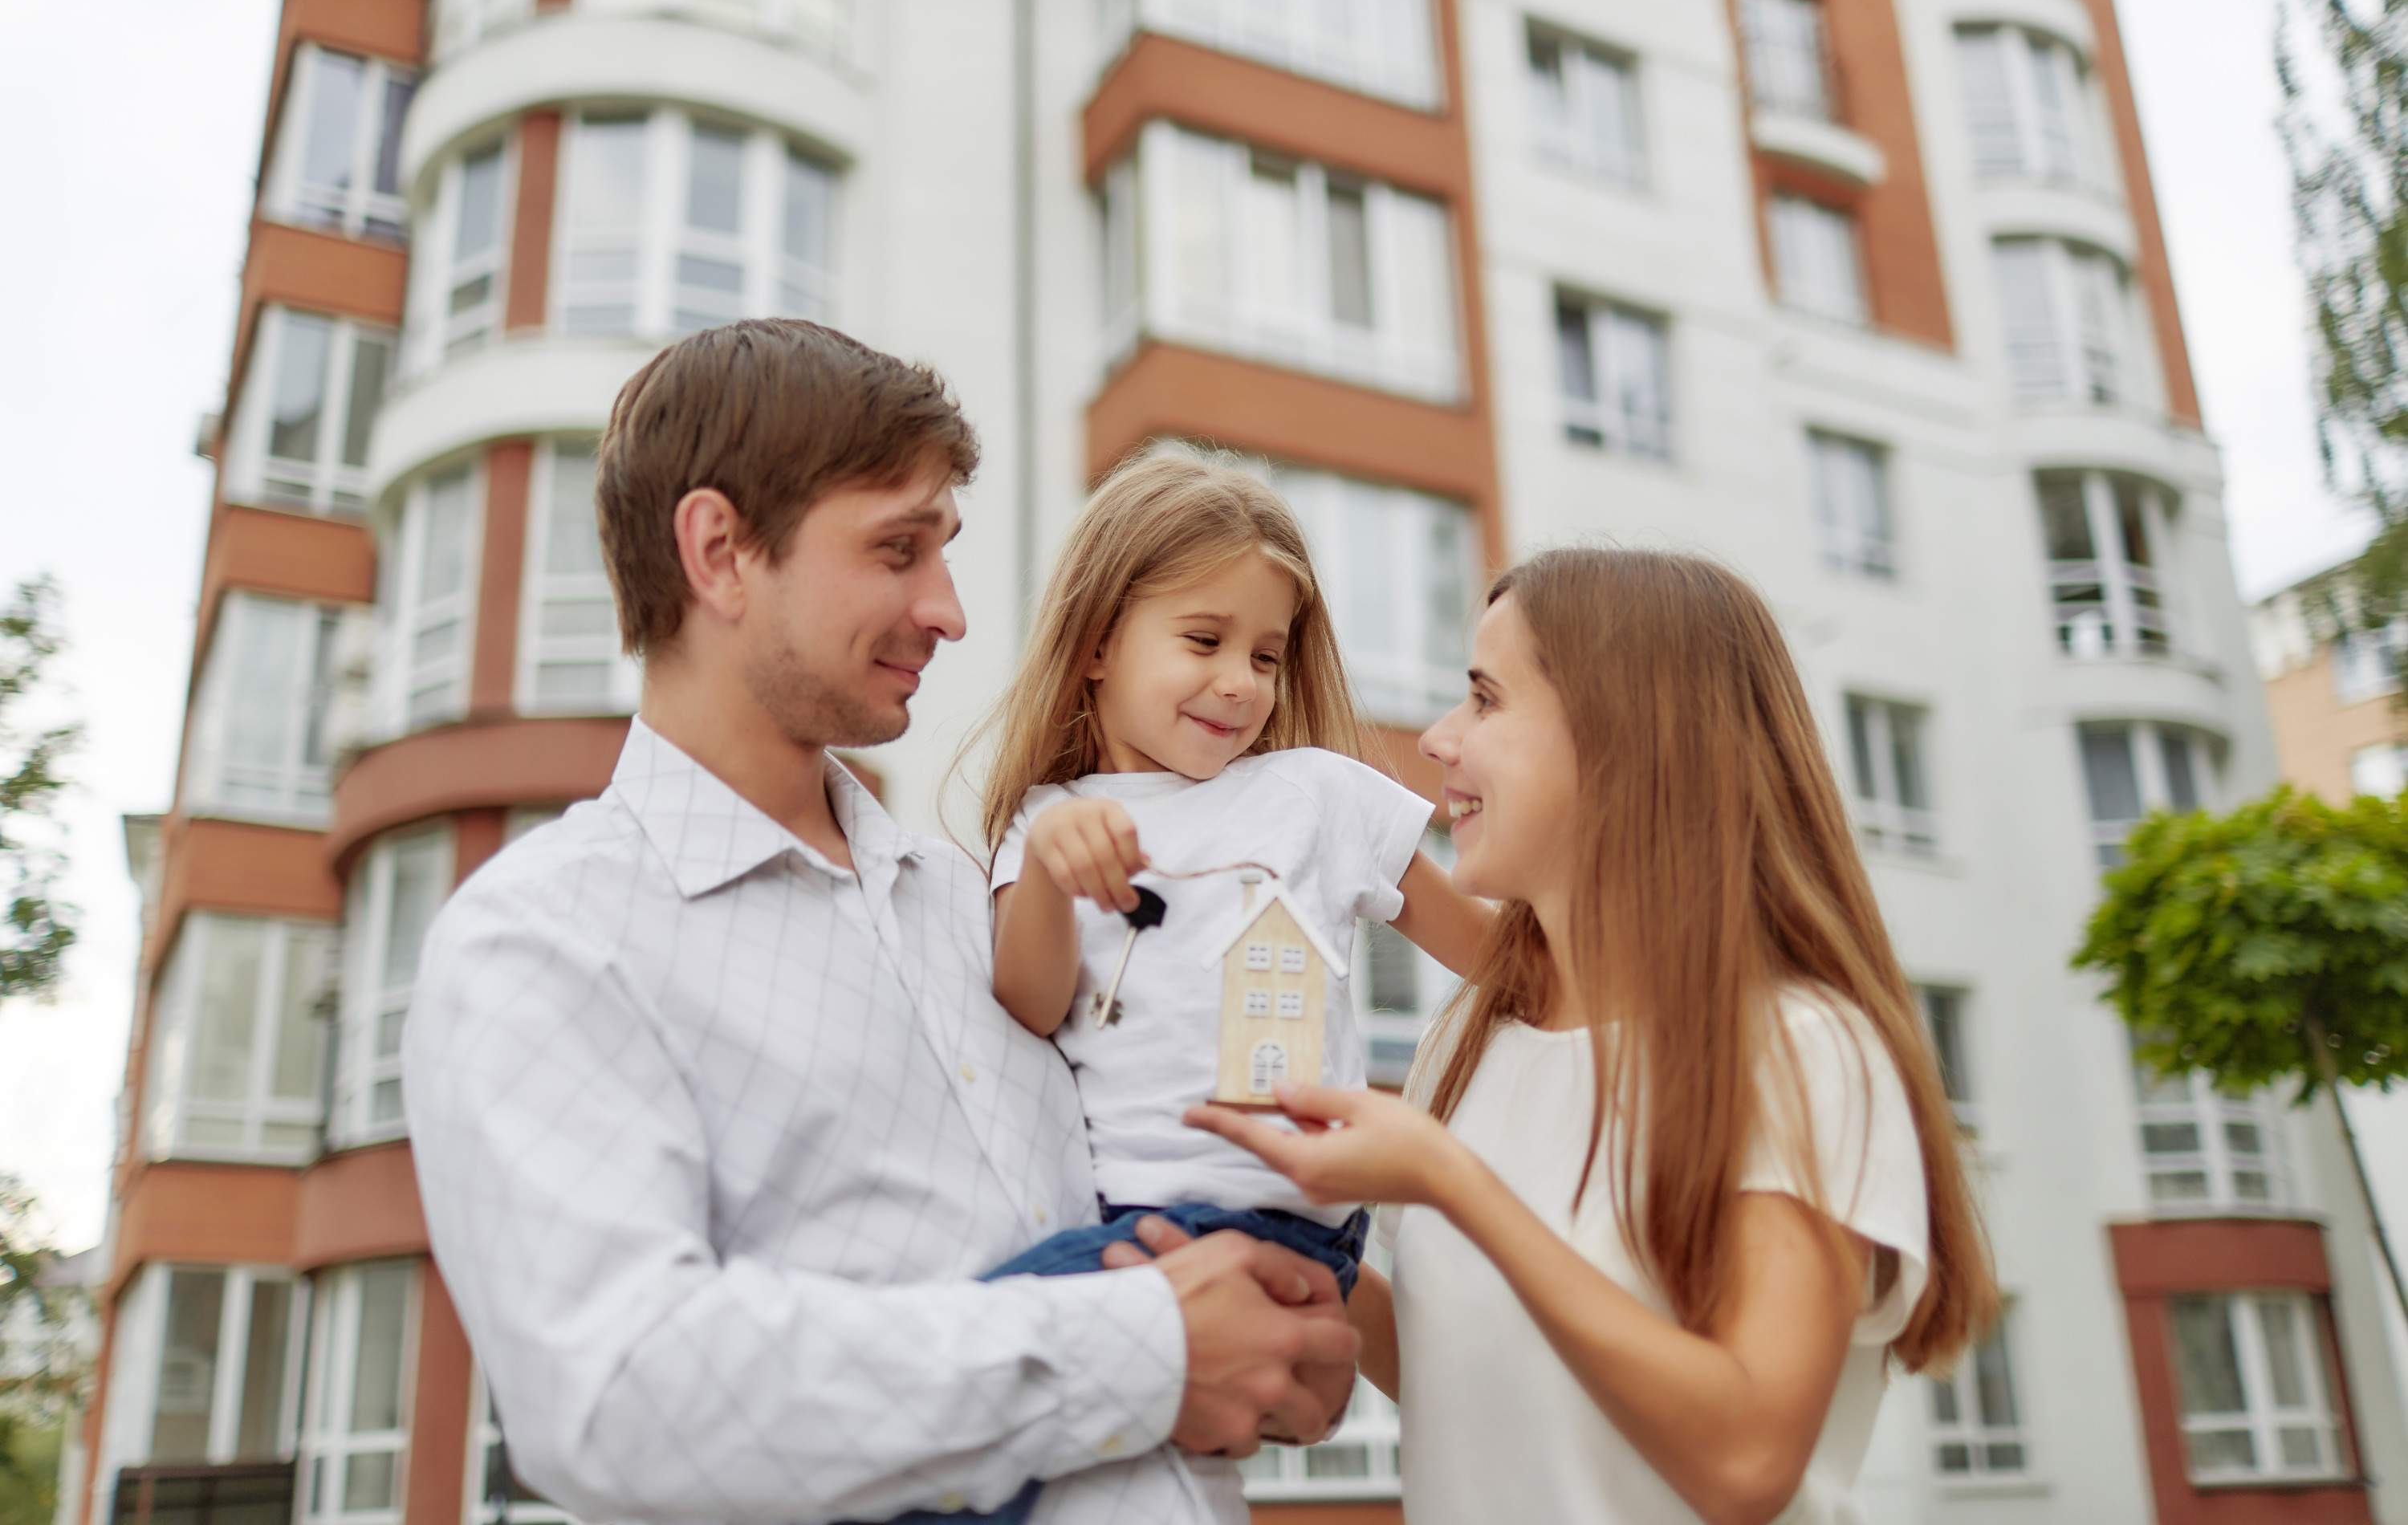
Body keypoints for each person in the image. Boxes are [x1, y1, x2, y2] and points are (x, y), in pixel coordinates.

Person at [403, 320, 1359, 1525]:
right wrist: (1151, 1350)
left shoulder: (984, 908)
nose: (950, 612)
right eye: (898, 550)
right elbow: (622, 1396)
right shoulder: (543, 941)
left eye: (944, 552)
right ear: (721, 553)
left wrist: (1282, 1337)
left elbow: (1160, 1216)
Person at [1191, 547, 1999, 1525]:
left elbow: (1746, 1463)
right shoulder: (1469, 1040)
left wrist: (1451, 1180)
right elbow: (1464, 1371)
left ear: (1626, 738)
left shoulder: (1798, 1050)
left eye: (1486, 699)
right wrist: (1253, 1227)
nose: (1441, 740)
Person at [946, 453, 1491, 1520]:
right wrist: (1053, 868)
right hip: (1136, 1228)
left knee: (960, 1379)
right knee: (1003, 1442)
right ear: (1098, 640)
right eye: (1204, 641)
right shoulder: (1049, 818)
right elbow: (1029, 1000)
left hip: (1262, 1217)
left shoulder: (1314, 797)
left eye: (1267, 654)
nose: (1241, 681)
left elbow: (1494, 954)